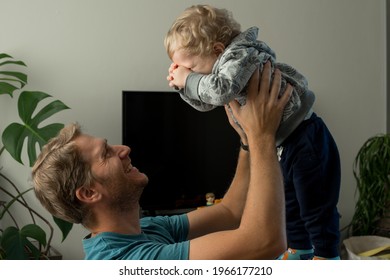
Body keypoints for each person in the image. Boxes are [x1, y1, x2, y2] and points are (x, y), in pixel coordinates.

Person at [31, 62, 291, 260]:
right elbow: (264, 242)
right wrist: (262, 136)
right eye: (106, 153)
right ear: (89, 192)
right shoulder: (125, 262)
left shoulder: (144, 229)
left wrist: (247, 139)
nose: (124, 149)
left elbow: (230, 212)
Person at [164, 4, 341, 260]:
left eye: (190, 67)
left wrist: (188, 80)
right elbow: (206, 103)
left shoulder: (239, 57)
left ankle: (327, 255)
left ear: (217, 50)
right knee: (289, 203)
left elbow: (219, 90)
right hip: (282, 143)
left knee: (315, 204)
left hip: (305, 137)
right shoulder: (219, 69)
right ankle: (299, 249)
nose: (188, 73)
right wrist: (183, 86)